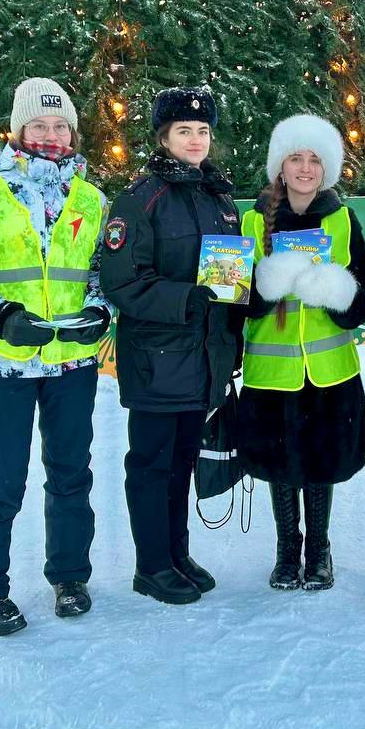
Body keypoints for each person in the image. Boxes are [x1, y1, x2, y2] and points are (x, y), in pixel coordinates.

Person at [0, 77, 113, 637]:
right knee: (1, 480)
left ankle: (70, 577)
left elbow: (101, 272)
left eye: (60, 125)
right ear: (18, 131)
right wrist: (1, 314)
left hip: (72, 362)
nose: (51, 134)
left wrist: (100, 307)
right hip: (4, 365)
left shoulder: (91, 200)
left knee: (71, 475)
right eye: (39, 124)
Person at [99, 86, 244, 606]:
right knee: (152, 464)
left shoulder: (220, 199)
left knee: (183, 461)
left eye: (203, 131)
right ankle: (151, 565)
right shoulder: (140, 199)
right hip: (158, 360)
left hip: (202, 361)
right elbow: (122, 281)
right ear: (164, 137)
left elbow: (228, 283)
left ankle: (177, 554)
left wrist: (236, 313)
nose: (196, 139)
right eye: (184, 130)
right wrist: (187, 297)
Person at [236, 115, 365, 592]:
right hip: (271, 372)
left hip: (328, 371)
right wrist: (266, 286)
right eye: (295, 157)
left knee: (320, 462)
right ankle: (286, 550)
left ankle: (318, 550)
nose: (305, 167)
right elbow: (229, 298)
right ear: (280, 165)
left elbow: (363, 300)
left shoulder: (342, 219)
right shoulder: (251, 220)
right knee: (280, 464)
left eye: (315, 159)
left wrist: (335, 291)